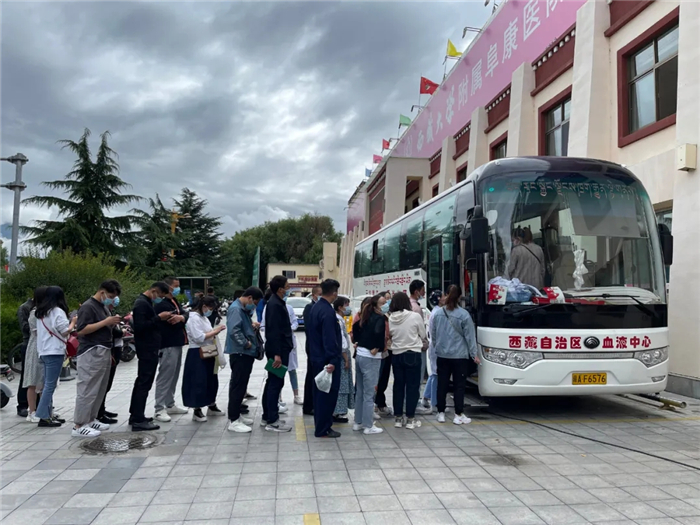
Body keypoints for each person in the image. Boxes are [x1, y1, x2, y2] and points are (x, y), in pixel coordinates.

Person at [72, 280, 123, 437]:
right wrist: (106, 322)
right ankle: (79, 425)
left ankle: (91, 419)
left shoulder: (102, 307)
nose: (112, 300)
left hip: (104, 350)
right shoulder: (88, 306)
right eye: (111, 296)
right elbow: (81, 330)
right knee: (87, 388)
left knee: (99, 388)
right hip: (91, 351)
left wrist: (112, 323)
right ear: (102, 292)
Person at [432, 285, 479, 425]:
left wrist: (438, 347)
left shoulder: (438, 313)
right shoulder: (464, 315)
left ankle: (440, 413)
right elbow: (470, 336)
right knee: (459, 385)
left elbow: (433, 334)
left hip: (442, 355)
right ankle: (458, 414)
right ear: (459, 297)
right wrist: (474, 354)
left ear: (446, 294)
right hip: (459, 356)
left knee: (442, 384)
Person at [129, 282, 172, 431]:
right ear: (154, 291)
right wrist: (159, 318)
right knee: (144, 383)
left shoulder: (146, 302)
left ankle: (136, 414)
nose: (160, 299)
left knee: (143, 382)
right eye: (160, 295)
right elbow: (140, 327)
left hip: (150, 347)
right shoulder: (141, 304)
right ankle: (137, 419)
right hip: (146, 348)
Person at [35, 286, 77, 428]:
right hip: (54, 351)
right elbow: (65, 331)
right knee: (50, 385)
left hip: (43, 351)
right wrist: (73, 322)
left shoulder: (41, 312)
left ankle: (48, 414)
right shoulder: (58, 311)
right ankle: (43, 416)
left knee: (47, 384)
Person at [307, 279, 342, 438]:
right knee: (327, 395)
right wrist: (333, 360)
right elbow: (329, 339)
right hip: (326, 360)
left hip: (316, 356)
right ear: (334, 293)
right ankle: (323, 428)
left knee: (319, 394)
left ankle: (321, 425)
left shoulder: (316, 307)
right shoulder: (327, 312)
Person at [182, 296, 227, 422]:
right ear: (204, 306)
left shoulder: (203, 317)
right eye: (210, 308)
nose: (210, 311)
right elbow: (198, 337)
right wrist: (215, 331)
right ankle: (197, 409)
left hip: (209, 350)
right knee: (198, 381)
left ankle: (211, 404)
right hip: (197, 352)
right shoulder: (193, 318)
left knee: (211, 380)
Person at [226, 287, 263, 433]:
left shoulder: (241, 309)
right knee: (237, 385)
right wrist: (246, 343)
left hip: (245, 353)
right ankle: (233, 420)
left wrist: (251, 325)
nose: (254, 305)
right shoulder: (236, 309)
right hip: (240, 352)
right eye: (255, 302)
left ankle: (237, 415)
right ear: (249, 298)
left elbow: (241, 326)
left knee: (241, 385)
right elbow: (234, 330)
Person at [388, 292, 427, 429]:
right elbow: (423, 334)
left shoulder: (391, 318)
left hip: (396, 354)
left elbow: (391, 335)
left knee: (398, 386)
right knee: (412, 386)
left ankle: (398, 418)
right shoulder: (414, 316)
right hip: (412, 353)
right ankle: (410, 418)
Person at [153, 277, 189, 422]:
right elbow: (173, 322)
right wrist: (181, 319)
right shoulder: (161, 304)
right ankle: (159, 408)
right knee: (165, 376)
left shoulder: (173, 301)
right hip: (167, 344)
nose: (177, 288)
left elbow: (185, 314)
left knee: (174, 375)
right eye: (175, 286)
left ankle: (170, 403)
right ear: (167, 287)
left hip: (177, 342)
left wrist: (181, 317)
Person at [261, 276, 293, 432]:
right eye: (287, 286)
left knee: (273, 382)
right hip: (277, 352)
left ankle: (267, 415)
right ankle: (272, 420)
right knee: (275, 384)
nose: (289, 289)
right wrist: (277, 355)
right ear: (280, 289)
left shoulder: (277, 302)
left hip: (279, 350)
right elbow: (273, 332)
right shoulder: (275, 305)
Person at [351, 294, 386, 435]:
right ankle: (368, 425)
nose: (385, 305)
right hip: (371, 358)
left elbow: (355, 329)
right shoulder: (379, 318)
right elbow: (379, 334)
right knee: (369, 393)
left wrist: (359, 342)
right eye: (383, 303)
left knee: (360, 391)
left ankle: (358, 422)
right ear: (376, 305)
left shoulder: (364, 317)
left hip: (360, 355)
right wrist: (377, 346)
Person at [22, 287, 48, 423]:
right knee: (32, 381)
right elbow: (36, 331)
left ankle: (44, 409)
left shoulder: (46, 312)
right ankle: (31, 411)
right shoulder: (34, 313)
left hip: (44, 347)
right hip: (35, 348)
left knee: (44, 381)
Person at [97, 303, 122, 425]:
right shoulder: (102, 311)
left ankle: (102, 409)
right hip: (109, 349)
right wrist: (120, 331)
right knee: (104, 385)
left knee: (108, 384)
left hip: (115, 348)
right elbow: (109, 331)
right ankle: (99, 412)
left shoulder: (108, 311)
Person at [421, 290, 445, 412]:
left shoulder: (435, 311)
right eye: (443, 296)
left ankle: (426, 397)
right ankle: (435, 403)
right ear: (439, 299)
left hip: (433, 346)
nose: (445, 298)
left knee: (434, 373)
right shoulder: (438, 313)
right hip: (436, 347)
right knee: (436, 374)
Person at [332, 296, 355, 423]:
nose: (348, 308)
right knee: (342, 384)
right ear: (340, 307)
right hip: (342, 356)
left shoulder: (340, 319)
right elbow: (342, 343)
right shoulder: (338, 321)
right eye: (346, 305)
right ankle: (338, 411)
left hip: (343, 355)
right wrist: (346, 359)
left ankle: (338, 410)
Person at [302, 285, 321, 415]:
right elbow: (310, 329)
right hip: (313, 347)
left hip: (318, 348)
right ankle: (308, 405)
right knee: (312, 375)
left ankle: (315, 403)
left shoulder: (320, 307)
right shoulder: (310, 307)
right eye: (319, 294)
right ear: (313, 295)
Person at [374, 294, 393, 418]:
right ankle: (375, 404)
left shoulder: (387, 316)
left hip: (386, 351)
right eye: (383, 301)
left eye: (388, 299)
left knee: (384, 378)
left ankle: (380, 403)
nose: (387, 303)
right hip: (376, 353)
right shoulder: (374, 318)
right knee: (376, 379)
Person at [16, 298, 32, 418]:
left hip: (41, 345)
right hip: (29, 344)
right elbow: (25, 327)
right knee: (26, 376)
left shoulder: (43, 307)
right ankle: (22, 405)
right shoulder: (25, 308)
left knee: (39, 379)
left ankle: (37, 404)